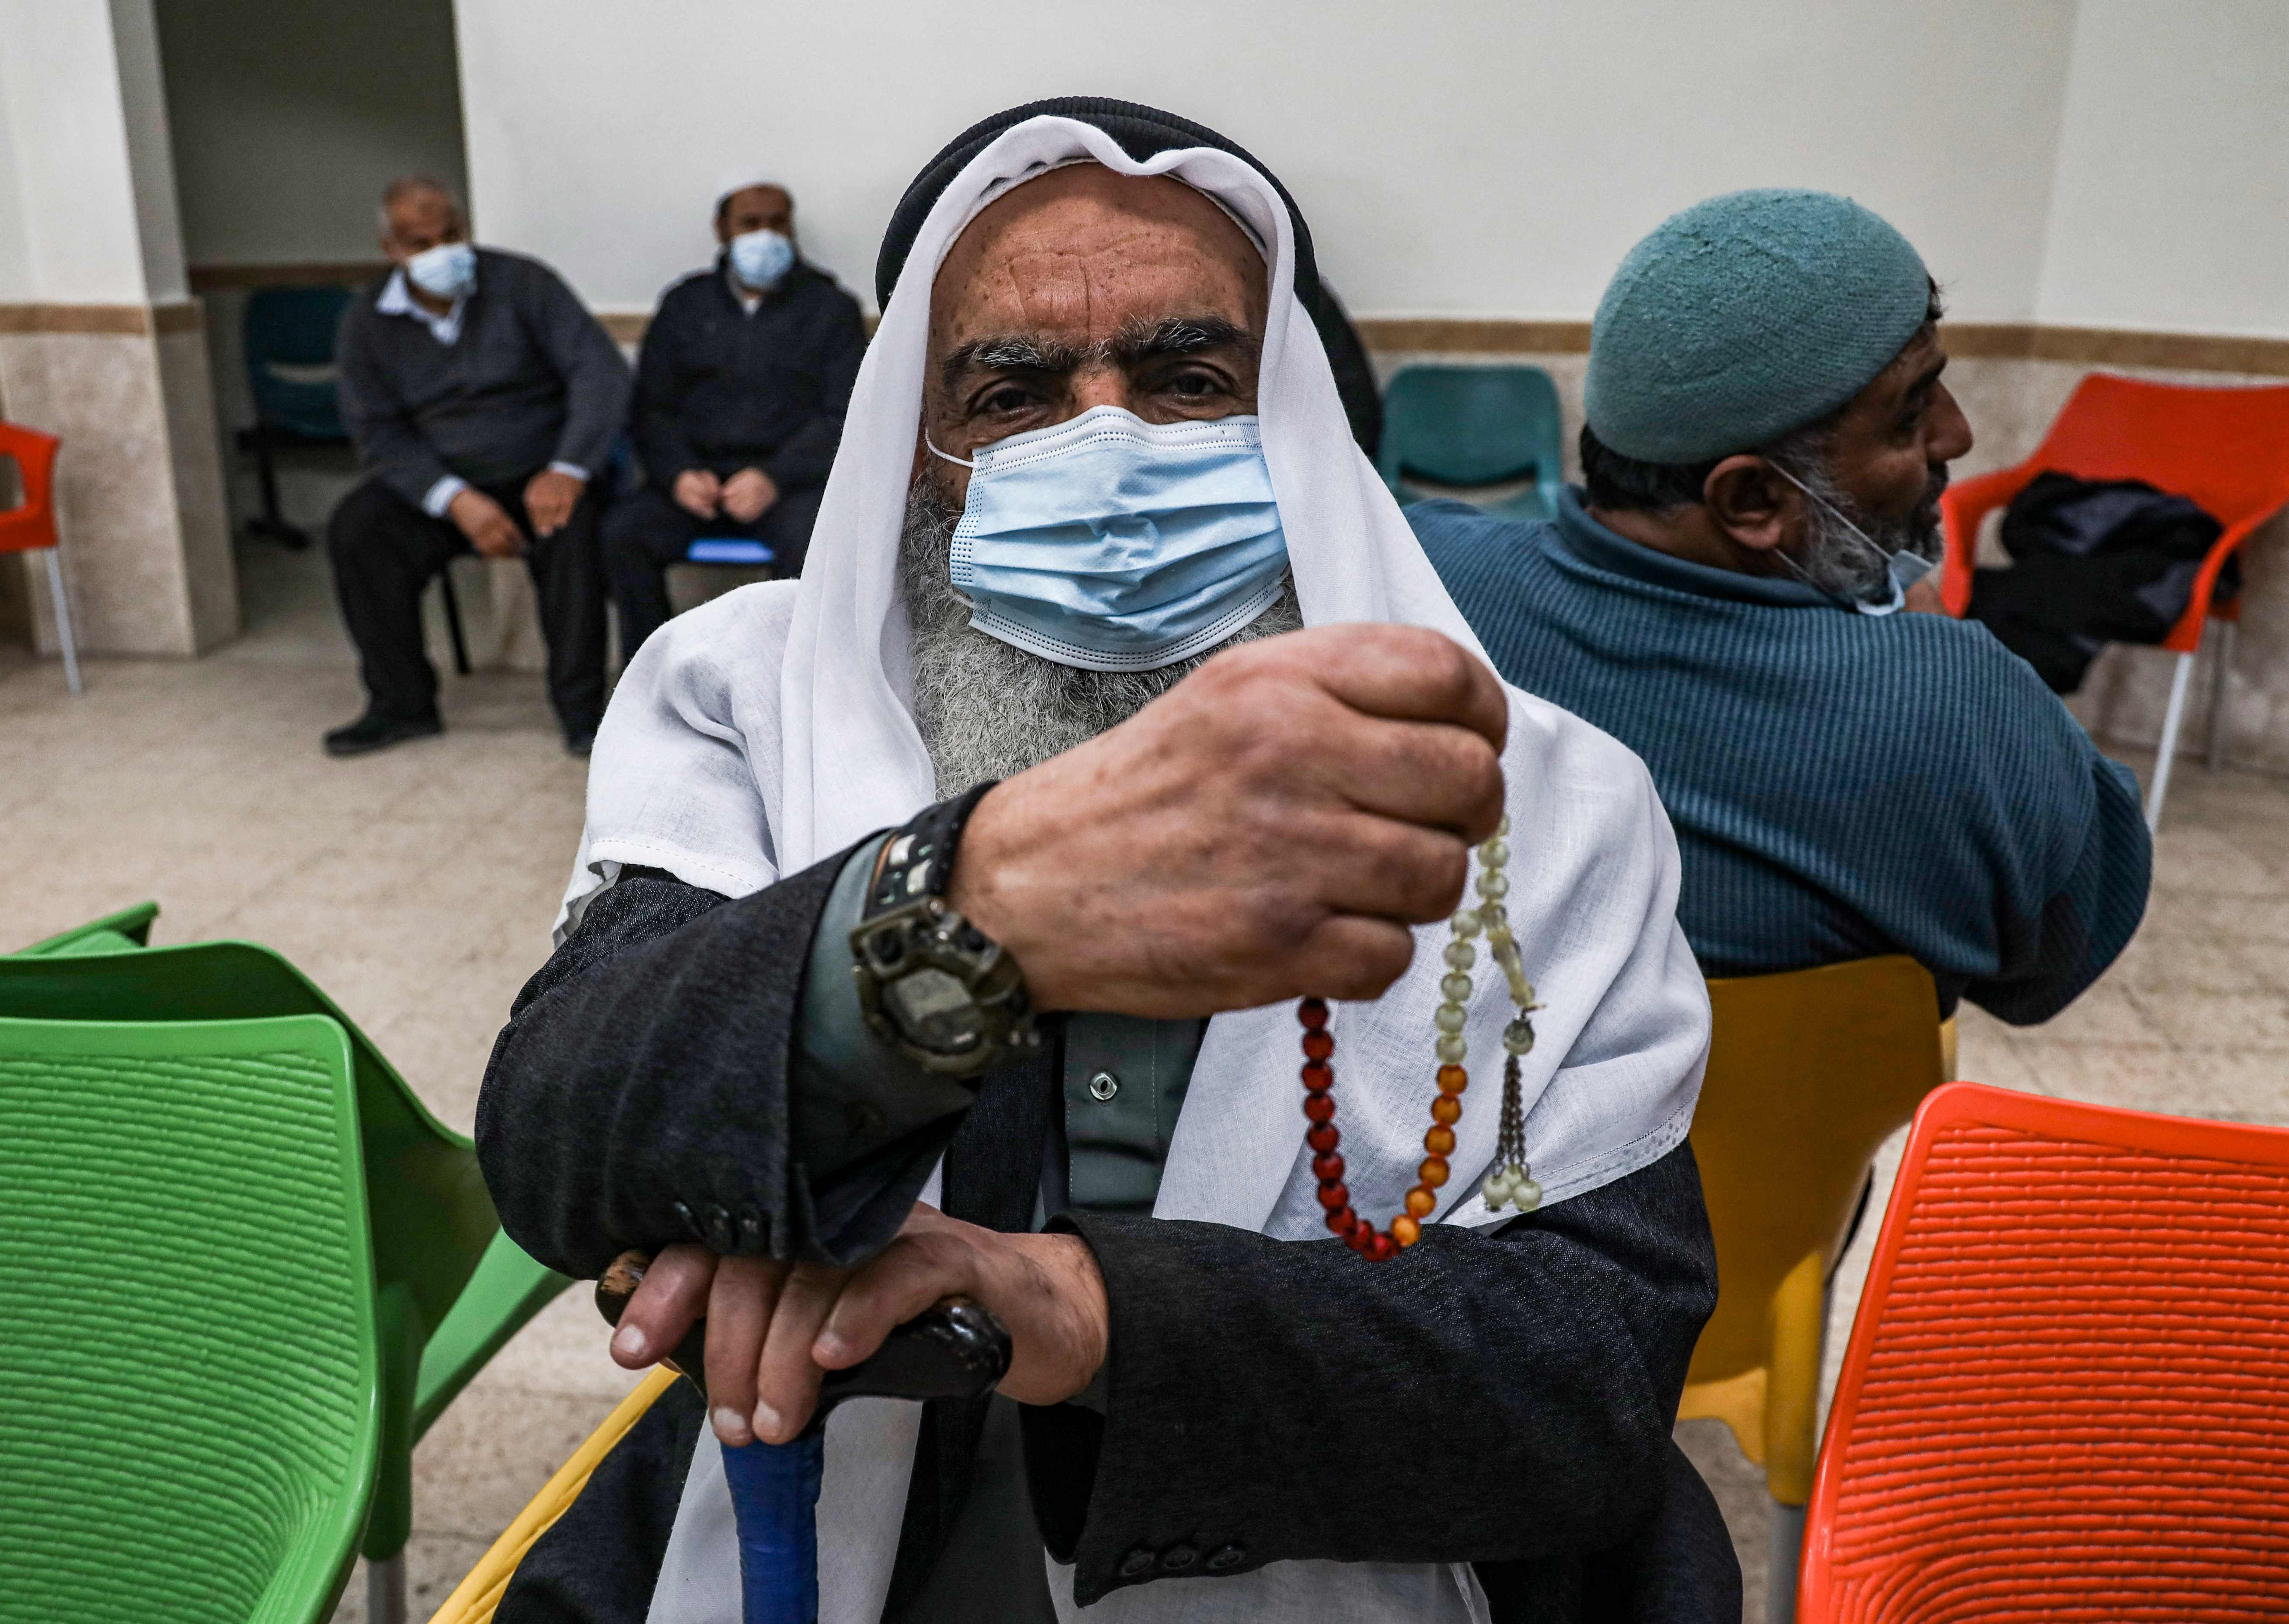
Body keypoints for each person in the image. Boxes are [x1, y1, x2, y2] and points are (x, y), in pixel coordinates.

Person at [480, 101, 1736, 1624]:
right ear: (917, 447)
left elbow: (1585, 1372)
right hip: (854, 1506)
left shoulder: (1537, 795)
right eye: (1012, 392)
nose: (1106, 440)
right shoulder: (737, 695)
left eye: (1186, 378)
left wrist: (1073, 1309)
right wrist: (965, 915)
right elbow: (561, 1131)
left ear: (1287, 415)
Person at [1411, 190, 2151, 1021]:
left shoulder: (1416, 582)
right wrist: (1936, 656)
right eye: (1912, 414)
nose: (1957, 435)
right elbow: (2057, 964)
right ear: (1754, 500)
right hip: (1806, 1154)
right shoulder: (1959, 704)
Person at [326, 176, 629, 758]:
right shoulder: (367, 323)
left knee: (574, 530)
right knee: (358, 530)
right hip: (444, 485)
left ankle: (582, 714)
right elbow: (376, 429)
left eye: (451, 235)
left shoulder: (524, 283)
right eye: (420, 243)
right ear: (390, 249)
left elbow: (599, 371)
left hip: (541, 470)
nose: (441, 252)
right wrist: (454, 500)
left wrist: (568, 468)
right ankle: (401, 705)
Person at [600, 174, 868, 657]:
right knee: (622, 534)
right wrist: (678, 473)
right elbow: (652, 408)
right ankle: (652, 679)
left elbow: (843, 414)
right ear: (722, 231)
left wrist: (773, 476)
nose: (763, 235)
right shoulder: (684, 304)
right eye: (749, 223)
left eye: (776, 223)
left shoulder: (831, 308)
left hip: (789, 486)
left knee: (816, 542)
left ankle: (785, 681)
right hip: (696, 482)